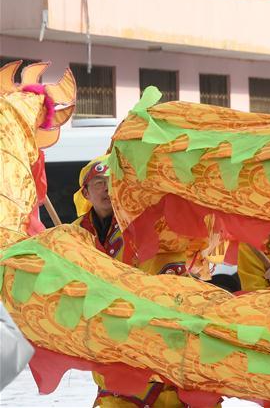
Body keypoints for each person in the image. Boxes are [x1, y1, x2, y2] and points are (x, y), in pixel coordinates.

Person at [72, 156, 190, 407]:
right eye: (99, 183)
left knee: (164, 388)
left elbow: (171, 258)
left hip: (149, 323)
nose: (107, 188)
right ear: (86, 193)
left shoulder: (142, 222)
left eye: (112, 181)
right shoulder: (75, 234)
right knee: (116, 390)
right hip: (105, 331)